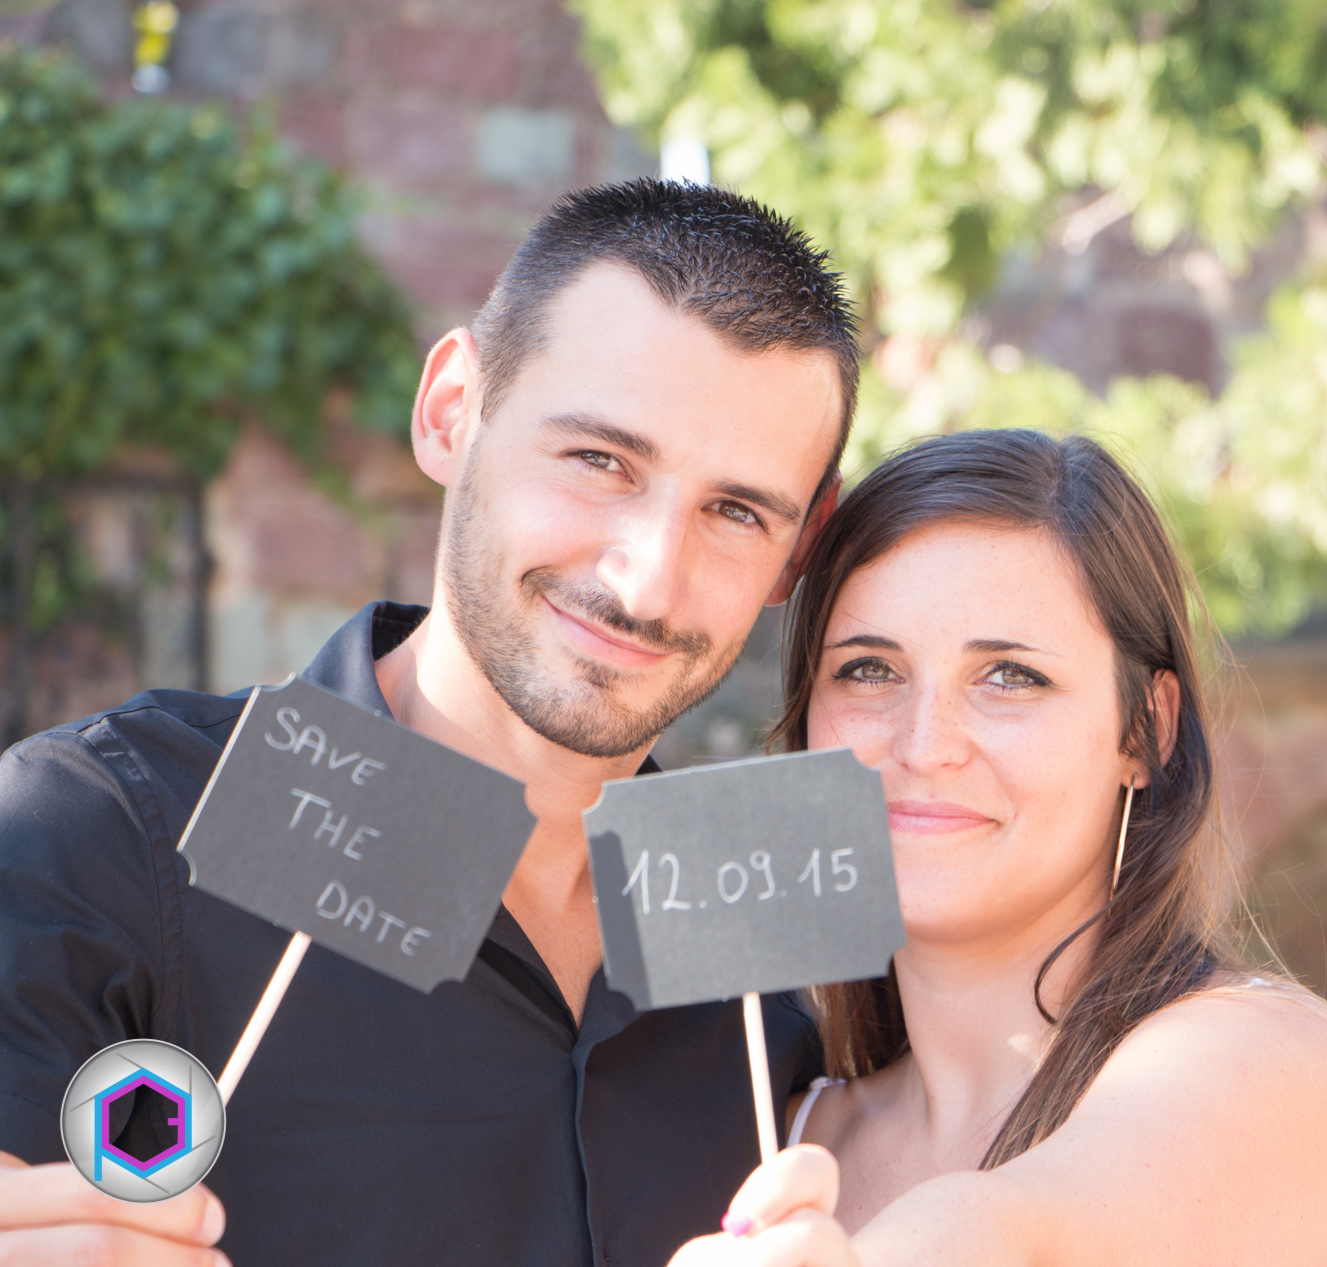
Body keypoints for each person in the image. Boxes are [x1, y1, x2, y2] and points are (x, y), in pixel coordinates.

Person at [0, 180, 858, 1267]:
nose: (646, 579)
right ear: (453, 408)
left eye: (736, 511)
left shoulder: (785, 918)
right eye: (599, 461)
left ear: (799, 549)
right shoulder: (105, 831)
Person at [670, 430, 1327, 1266]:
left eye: (1010, 676)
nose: (925, 744)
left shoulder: (1269, 1062)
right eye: (868, 670)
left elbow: (1018, 1231)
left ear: (1147, 728)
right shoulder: (786, 1136)